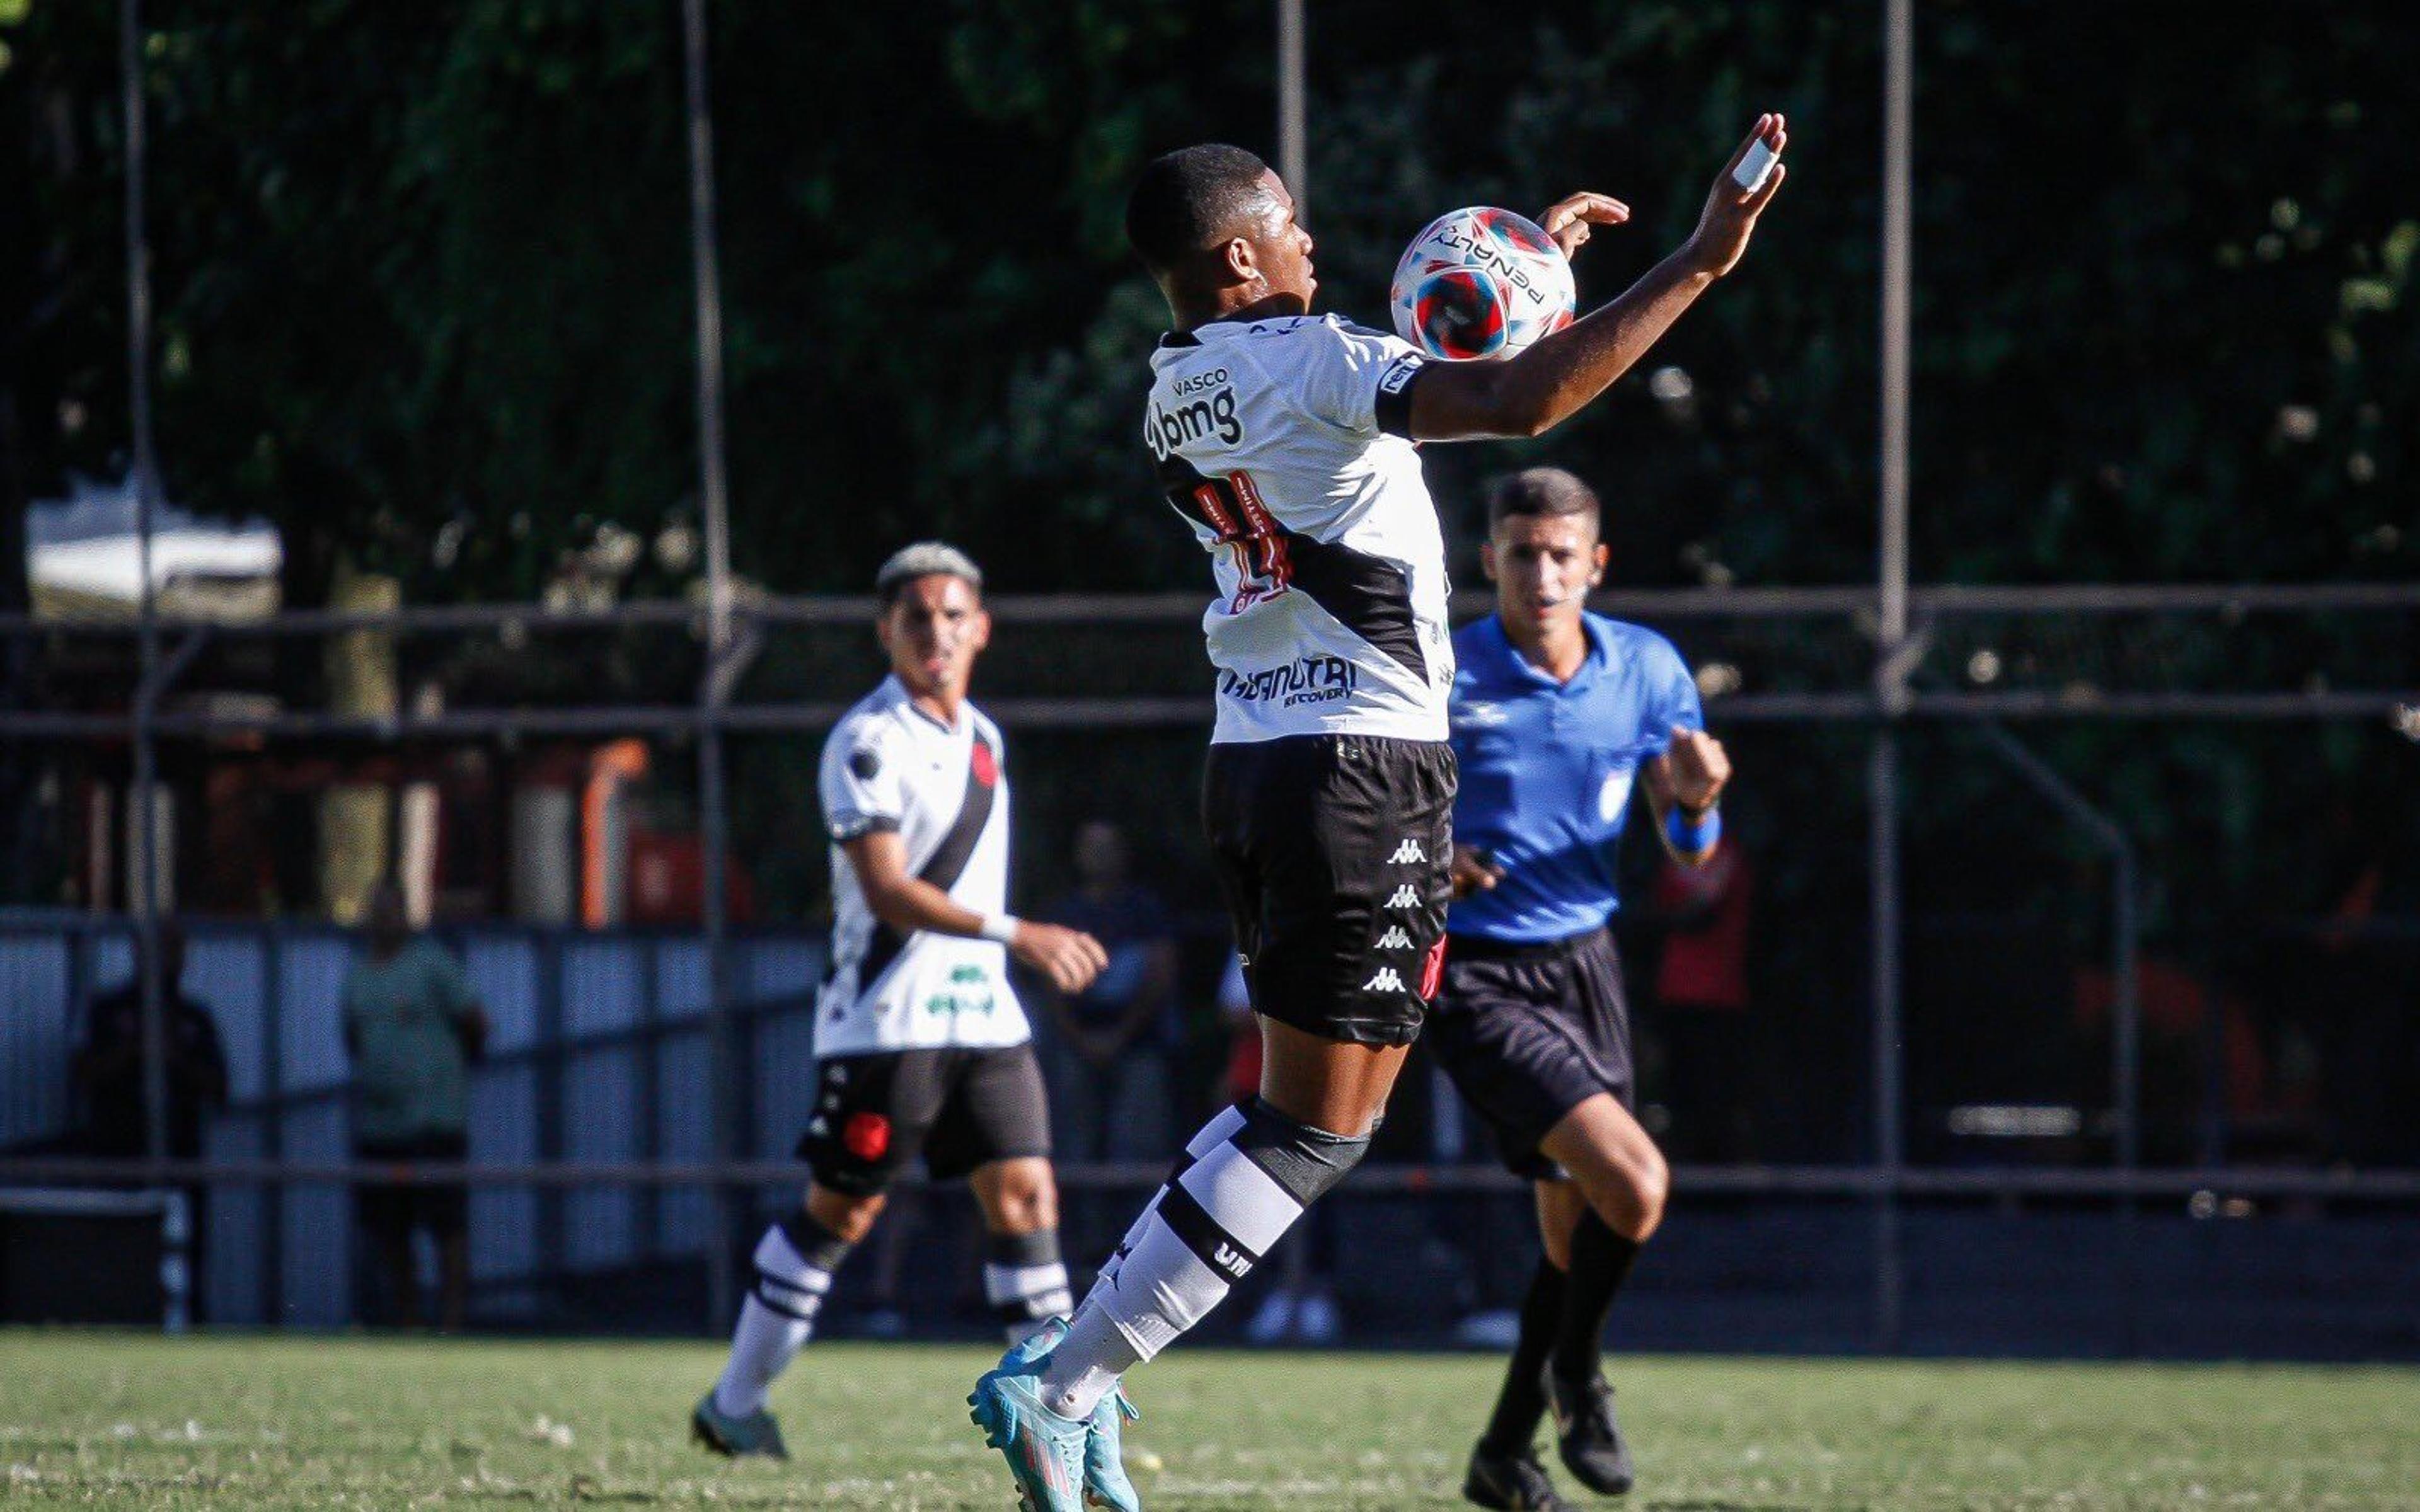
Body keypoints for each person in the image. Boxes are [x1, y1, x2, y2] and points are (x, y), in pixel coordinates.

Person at [969, 114, 1789, 1511]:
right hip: (1360, 772)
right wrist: (1702, 263)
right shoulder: (1318, 361)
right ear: (1240, 255)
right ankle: (1064, 1386)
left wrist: (1522, 270)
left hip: (1259, 761)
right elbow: (1524, 408)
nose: (1311, 238)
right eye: (1288, 223)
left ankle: (1076, 1371)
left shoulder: (1178, 383)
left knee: (1292, 1114)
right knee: (1318, 1133)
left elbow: (1399, 409)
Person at [692, 542, 1109, 1459]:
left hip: (986, 1020)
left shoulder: (988, 741)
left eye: (954, 616)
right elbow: (886, 892)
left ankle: (1060, 1424)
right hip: (886, 1023)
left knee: (1028, 1198)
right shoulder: (865, 741)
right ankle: (733, 1403)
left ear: (982, 630)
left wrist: (1007, 953)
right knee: (842, 1214)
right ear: (886, 631)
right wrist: (1021, 935)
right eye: (917, 617)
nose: (937, 633)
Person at [1429, 467, 1732, 1509]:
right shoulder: (1442, 673)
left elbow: (1689, 849)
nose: (1543, 573)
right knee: (1637, 1186)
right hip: (1473, 976)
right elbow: (1368, 812)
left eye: (1563, 554)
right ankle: (1577, 1379)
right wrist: (1435, 856)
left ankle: (1504, 1455)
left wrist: (1693, 806)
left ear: (1596, 564)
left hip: (1587, 966)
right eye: (1523, 553)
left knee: (1573, 1243)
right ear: (1490, 563)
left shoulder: (1647, 669)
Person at [343, 881, 488, 1332]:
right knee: (391, 1232)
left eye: (394, 911)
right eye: (378, 911)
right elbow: (352, 1038)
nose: (386, 919)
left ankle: (451, 1324)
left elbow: (475, 1023)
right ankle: (407, 1323)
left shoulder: (431, 965)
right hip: (382, 1127)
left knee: (446, 1228)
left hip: (434, 1123)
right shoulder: (358, 978)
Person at [1039, 820, 1180, 1162]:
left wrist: (1121, 1035)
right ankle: (1078, 1218)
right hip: (1076, 1045)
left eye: (1108, 847)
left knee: (1138, 1144)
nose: (1099, 856)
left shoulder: (1146, 911)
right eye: (1091, 847)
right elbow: (1051, 988)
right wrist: (1080, 1040)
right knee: (1074, 1144)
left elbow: (1162, 975)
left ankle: (1139, 1218)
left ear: (1123, 854)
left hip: (1141, 1044)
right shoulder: (1064, 913)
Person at [72, 920, 226, 1160]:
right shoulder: (107, 1011)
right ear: (139, 951)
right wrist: (133, 1049)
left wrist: (177, 1057)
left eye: (176, 948)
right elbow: (83, 1075)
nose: (170, 958)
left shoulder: (194, 1017)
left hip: (181, 1154)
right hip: (118, 1154)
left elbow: (219, 1088)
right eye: (162, 947)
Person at [1648, 831, 1757, 1162]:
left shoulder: (1725, 854)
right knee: (1679, 1095)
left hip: (1717, 996)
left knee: (1716, 1096)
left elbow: (1698, 913)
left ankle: (1722, 1187)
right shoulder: (1675, 855)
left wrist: (1659, 919)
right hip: (1676, 993)